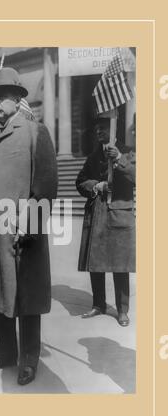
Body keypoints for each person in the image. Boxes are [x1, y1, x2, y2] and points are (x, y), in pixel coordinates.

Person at [0, 67, 57, 385]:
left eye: (2, 96)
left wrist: (28, 227)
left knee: (25, 300)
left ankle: (29, 359)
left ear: (18, 99)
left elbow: (46, 188)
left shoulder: (35, 132)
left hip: (22, 236)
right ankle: (5, 353)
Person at [76, 116, 136, 327]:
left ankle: (122, 310)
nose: (98, 131)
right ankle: (98, 304)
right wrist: (97, 185)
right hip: (97, 215)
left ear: (113, 130)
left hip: (119, 213)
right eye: (96, 129)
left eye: (103, 128)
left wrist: (119, 158)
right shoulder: (93, 157)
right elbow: (80, 181)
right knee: (96, 263)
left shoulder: (129, 151)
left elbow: (137, 177)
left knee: (120, 265)